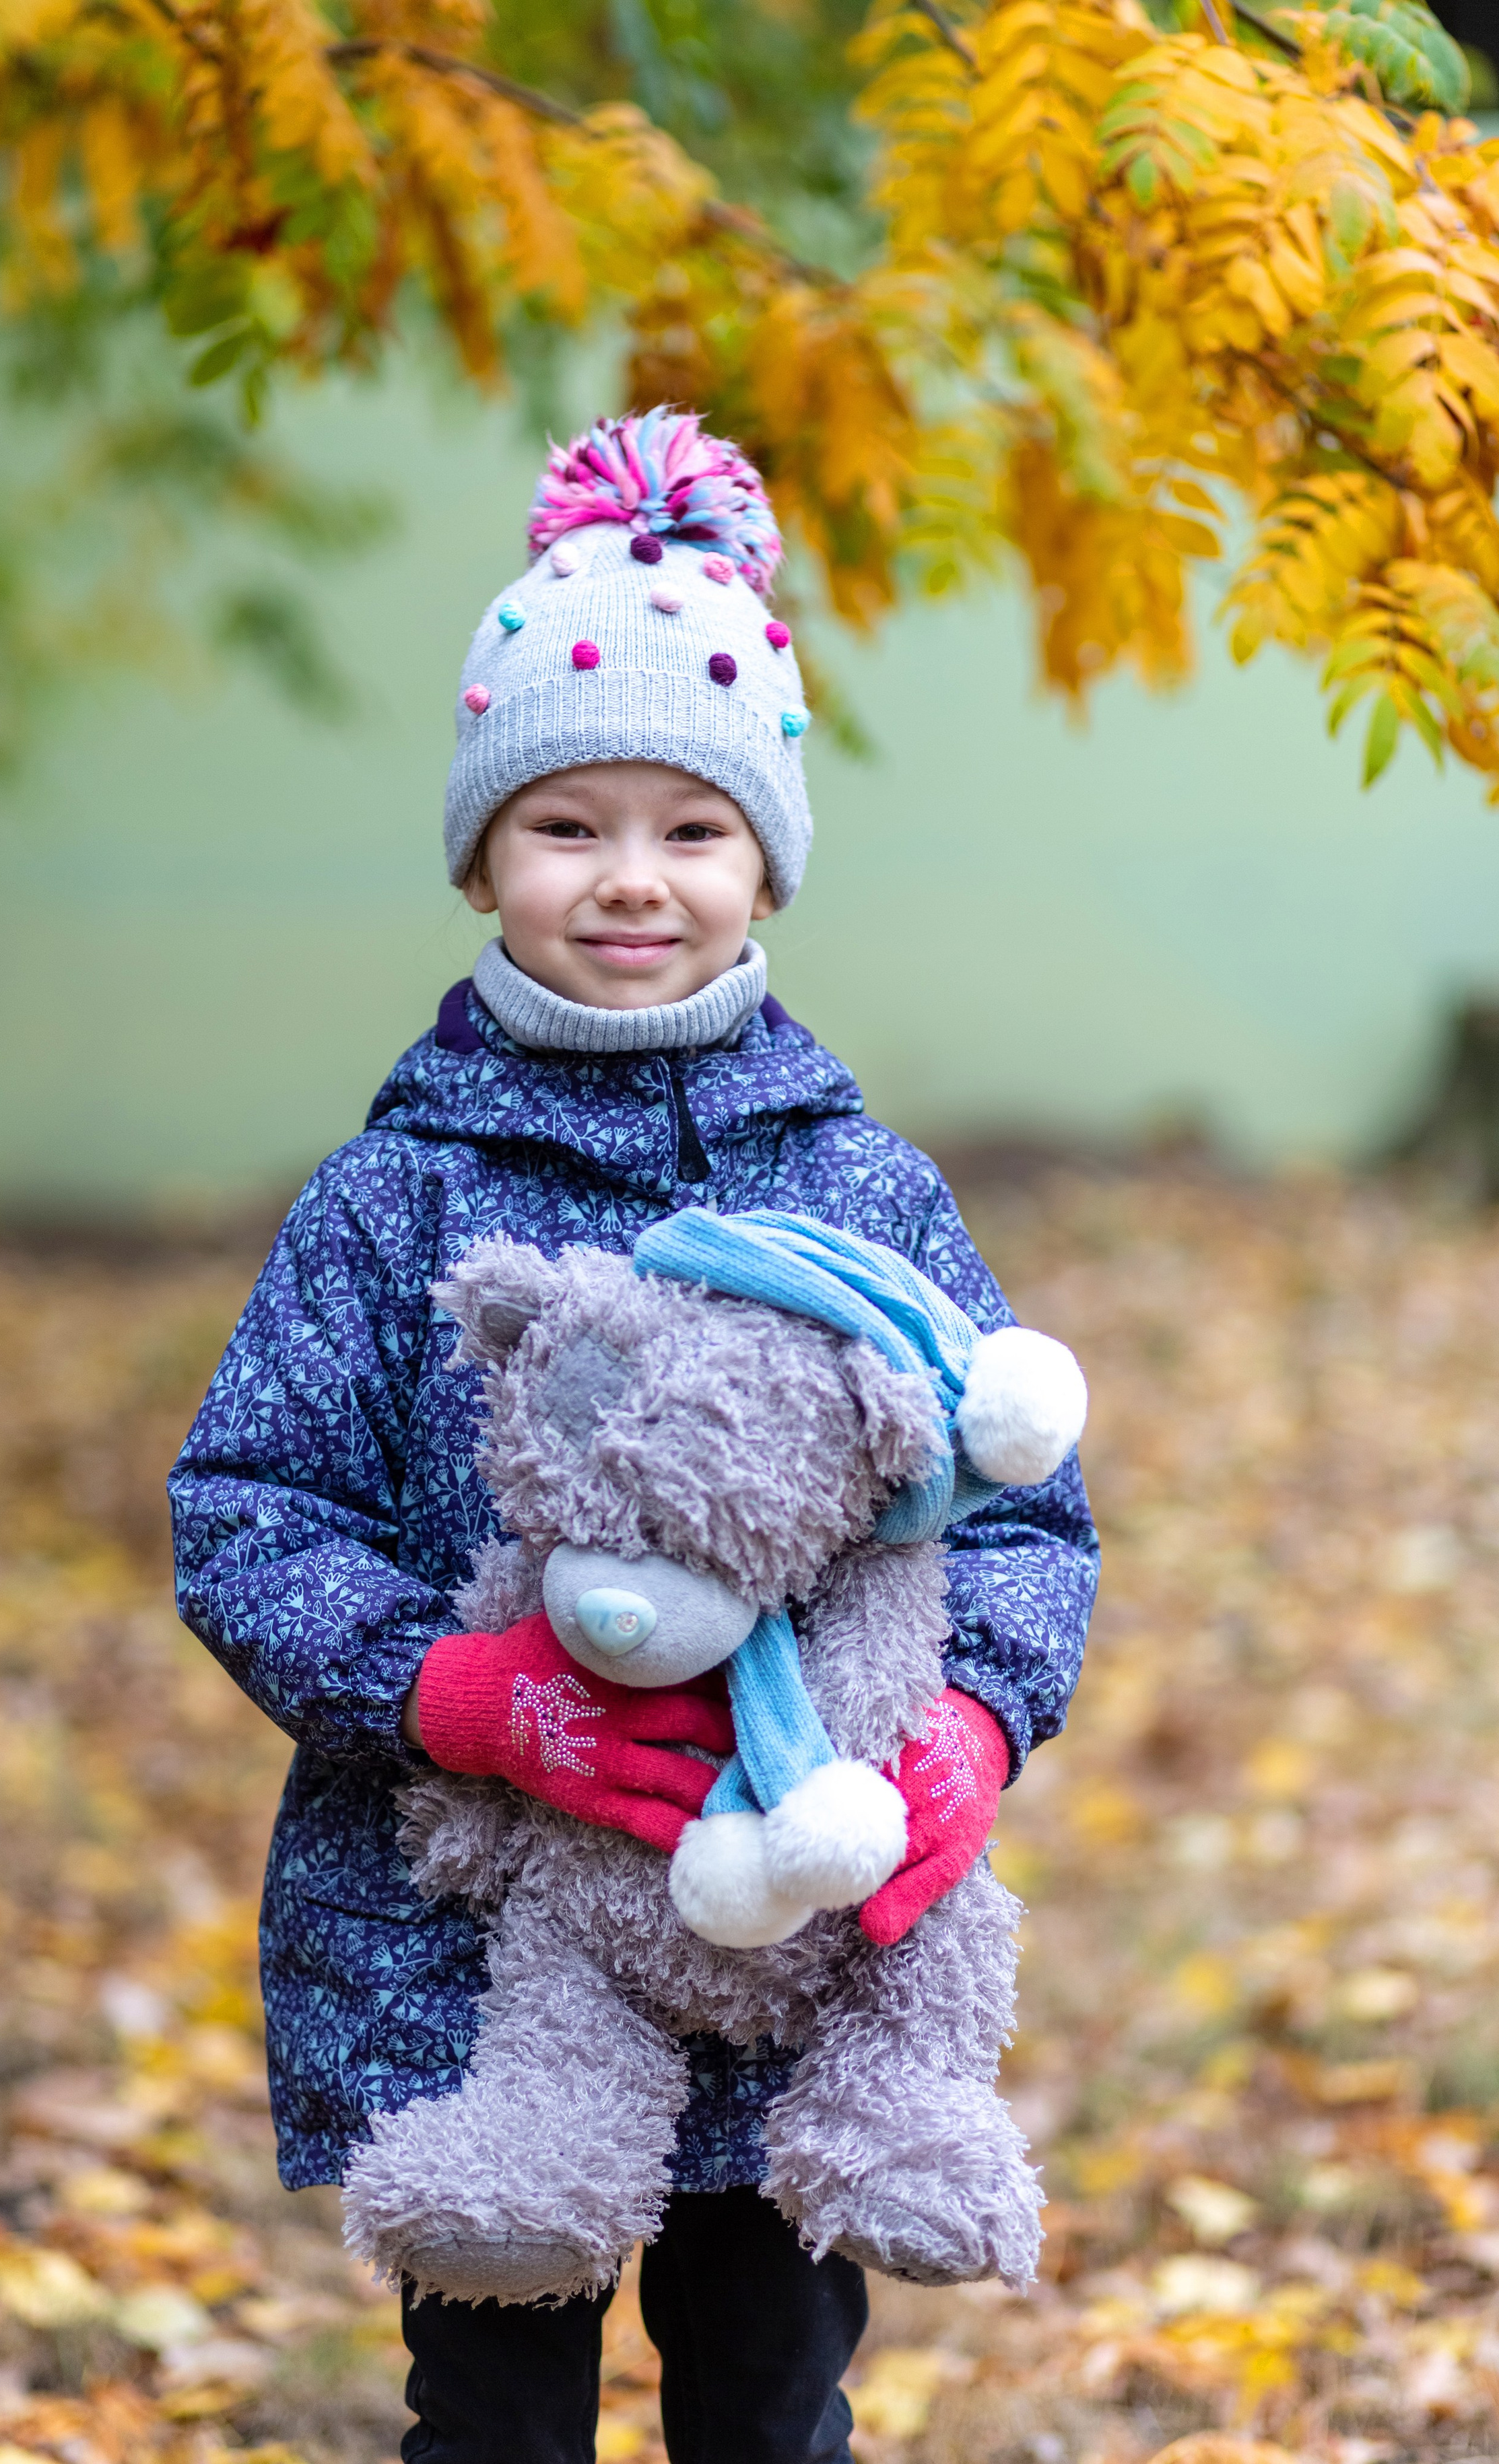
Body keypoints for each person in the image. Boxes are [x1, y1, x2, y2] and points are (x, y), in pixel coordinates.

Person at [168, 408, 1099, 2464]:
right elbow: (245, 1506)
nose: (630, 880)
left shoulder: (861, 1187)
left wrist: (968, 1730)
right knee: (492, 2409)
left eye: (690, 827)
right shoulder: (395, 1196)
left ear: (765, 855)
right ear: (485, 854)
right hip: (464, 1936)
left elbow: (1029, 1518)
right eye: (565, 825)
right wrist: (458, 1693)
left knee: (770, 2401)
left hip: (798, 1941)